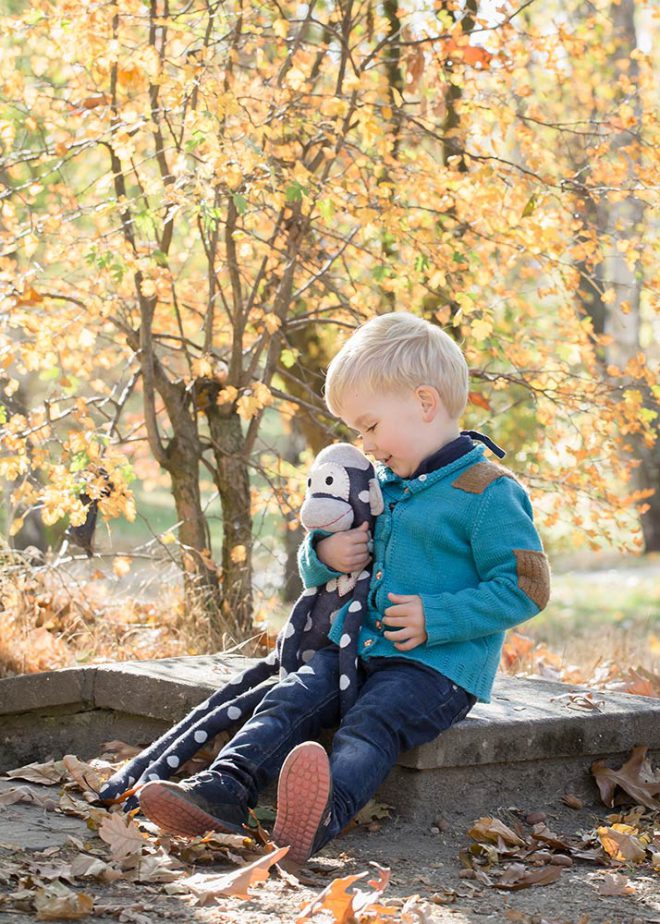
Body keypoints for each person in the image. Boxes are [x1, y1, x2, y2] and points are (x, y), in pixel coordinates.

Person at [137, 312, 551, 866]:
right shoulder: (378, 484)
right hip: (354, 647)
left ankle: (316, 818)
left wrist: (438, 616)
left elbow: (527, 587)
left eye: (371, 426)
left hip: (438, 670)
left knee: (371, 725)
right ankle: (224, 790)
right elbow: (321, 563)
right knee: (289, 698)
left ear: (425, 403)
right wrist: (323, 554)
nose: (365, 443)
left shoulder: (487, 492)